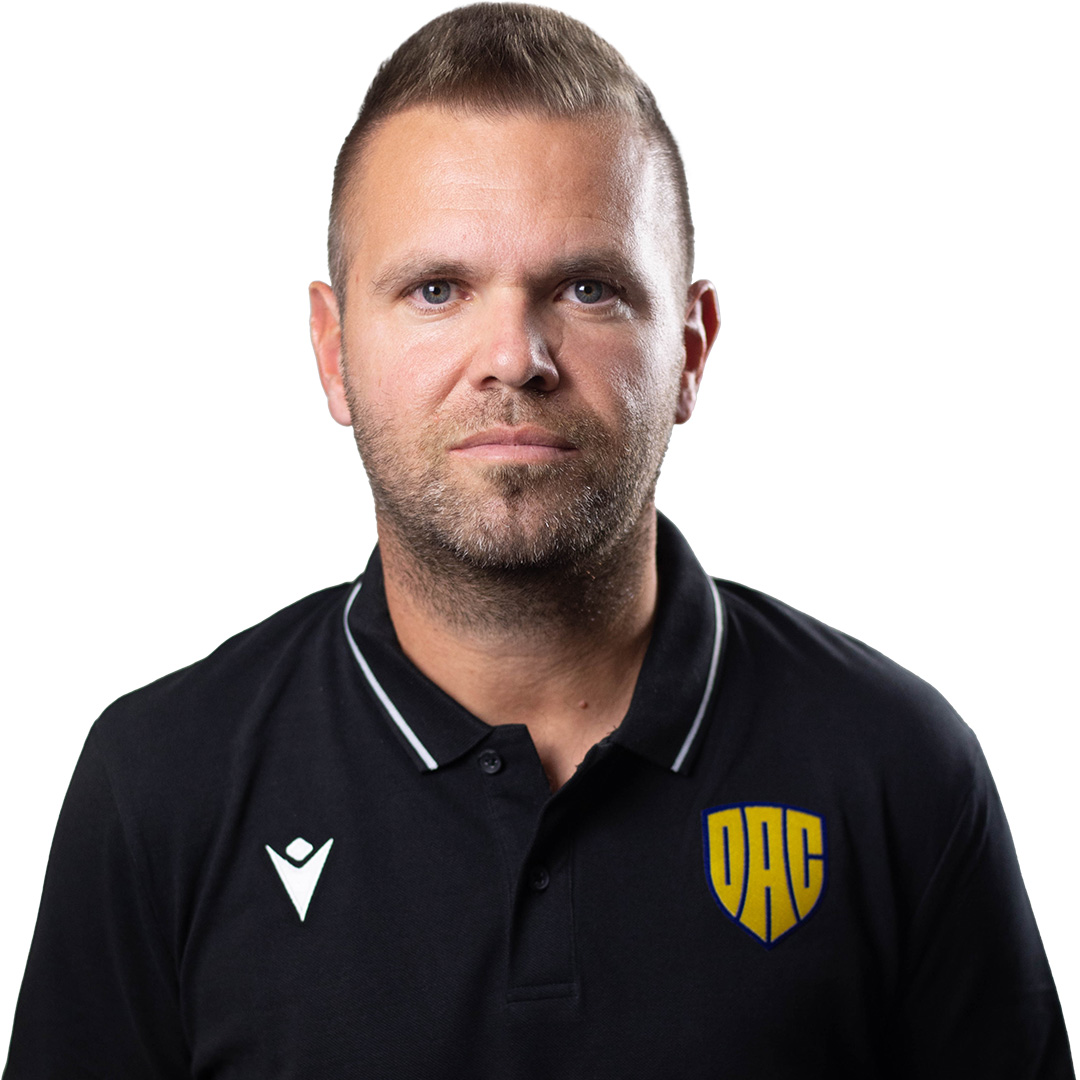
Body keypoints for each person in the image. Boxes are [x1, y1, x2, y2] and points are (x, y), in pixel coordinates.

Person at [4, 4, 1072, 1077]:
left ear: (691, 348)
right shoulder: (161, 786)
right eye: (437, 290)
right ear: (332, 352)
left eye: (587, 289)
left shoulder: (897, 769)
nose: (514, 357)